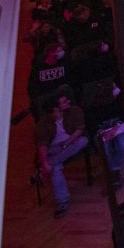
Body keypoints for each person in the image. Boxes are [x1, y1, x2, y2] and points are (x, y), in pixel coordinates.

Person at [35, 88, 88, 218]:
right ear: (55, 110)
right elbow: (42, 147)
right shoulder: (43, 123)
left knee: (83, 141)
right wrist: (44, 162)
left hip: (69, 144)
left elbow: (79, 130)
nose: (67, 102)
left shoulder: (74, 111)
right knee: (55, 168)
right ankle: (62, 201)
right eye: (63, 102)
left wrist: (66, 144)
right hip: (53, 149)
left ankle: (46, 169)